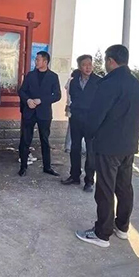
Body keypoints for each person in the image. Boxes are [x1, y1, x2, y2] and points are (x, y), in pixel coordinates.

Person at [75, 44, 139, 248]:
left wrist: (89, 133)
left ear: (111, 61)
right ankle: (122, 227)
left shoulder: (109, 84)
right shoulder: (135, 84)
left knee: (105, 189)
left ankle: (102, 233)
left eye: (106, 60)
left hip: (108, 145)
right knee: (124, 187)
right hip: (129, 145)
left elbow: (96, 115)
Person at [18, 51, 62, 177]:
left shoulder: (53, 76)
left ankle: (47, 167)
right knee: (25, 140)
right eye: (36, 59)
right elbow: (21, 91)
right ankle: (23, 167)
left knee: (45, 140)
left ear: (45, 62)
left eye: (38, 59)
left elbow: (57, 95)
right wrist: (28, 100)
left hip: (44, 113)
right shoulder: (30, 75)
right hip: (29, 112)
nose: (36, 62)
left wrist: (42, 100)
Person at [62, 55, 101, 191]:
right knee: (75, 148)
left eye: (90, 64)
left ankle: (89, 181)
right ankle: (74, 176)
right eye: (84, 65)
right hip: (76, 119)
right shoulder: (73, 81)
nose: (88, 67)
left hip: (91, 120)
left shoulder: (98, 81)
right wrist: (70, 111)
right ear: (79, 67)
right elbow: (70, 98)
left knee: (91, 151)